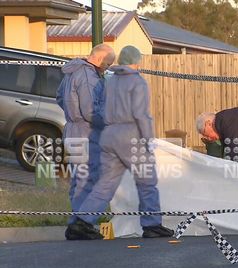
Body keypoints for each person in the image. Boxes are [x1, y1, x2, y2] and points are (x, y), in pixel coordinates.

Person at [67, 46, 174, 239]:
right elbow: (141, 114)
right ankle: (152, 224)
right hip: (130, 136)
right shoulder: (137, 82)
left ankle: (82, 221)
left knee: (105, 183)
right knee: (146, 181)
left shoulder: (110, 80)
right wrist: (148, 139)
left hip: (108, 135)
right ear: (136, 60)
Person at [57, 44, 115, 240]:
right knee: (92, 179)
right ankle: (83, 223)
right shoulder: (89, 77)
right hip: (86, 133)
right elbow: (91, 111)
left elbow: (59, 97)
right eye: (107, 64)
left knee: (79, 180)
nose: (106, 69)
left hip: (72, 131)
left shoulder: (71, 72)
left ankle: (77, 223)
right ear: (99, 60)